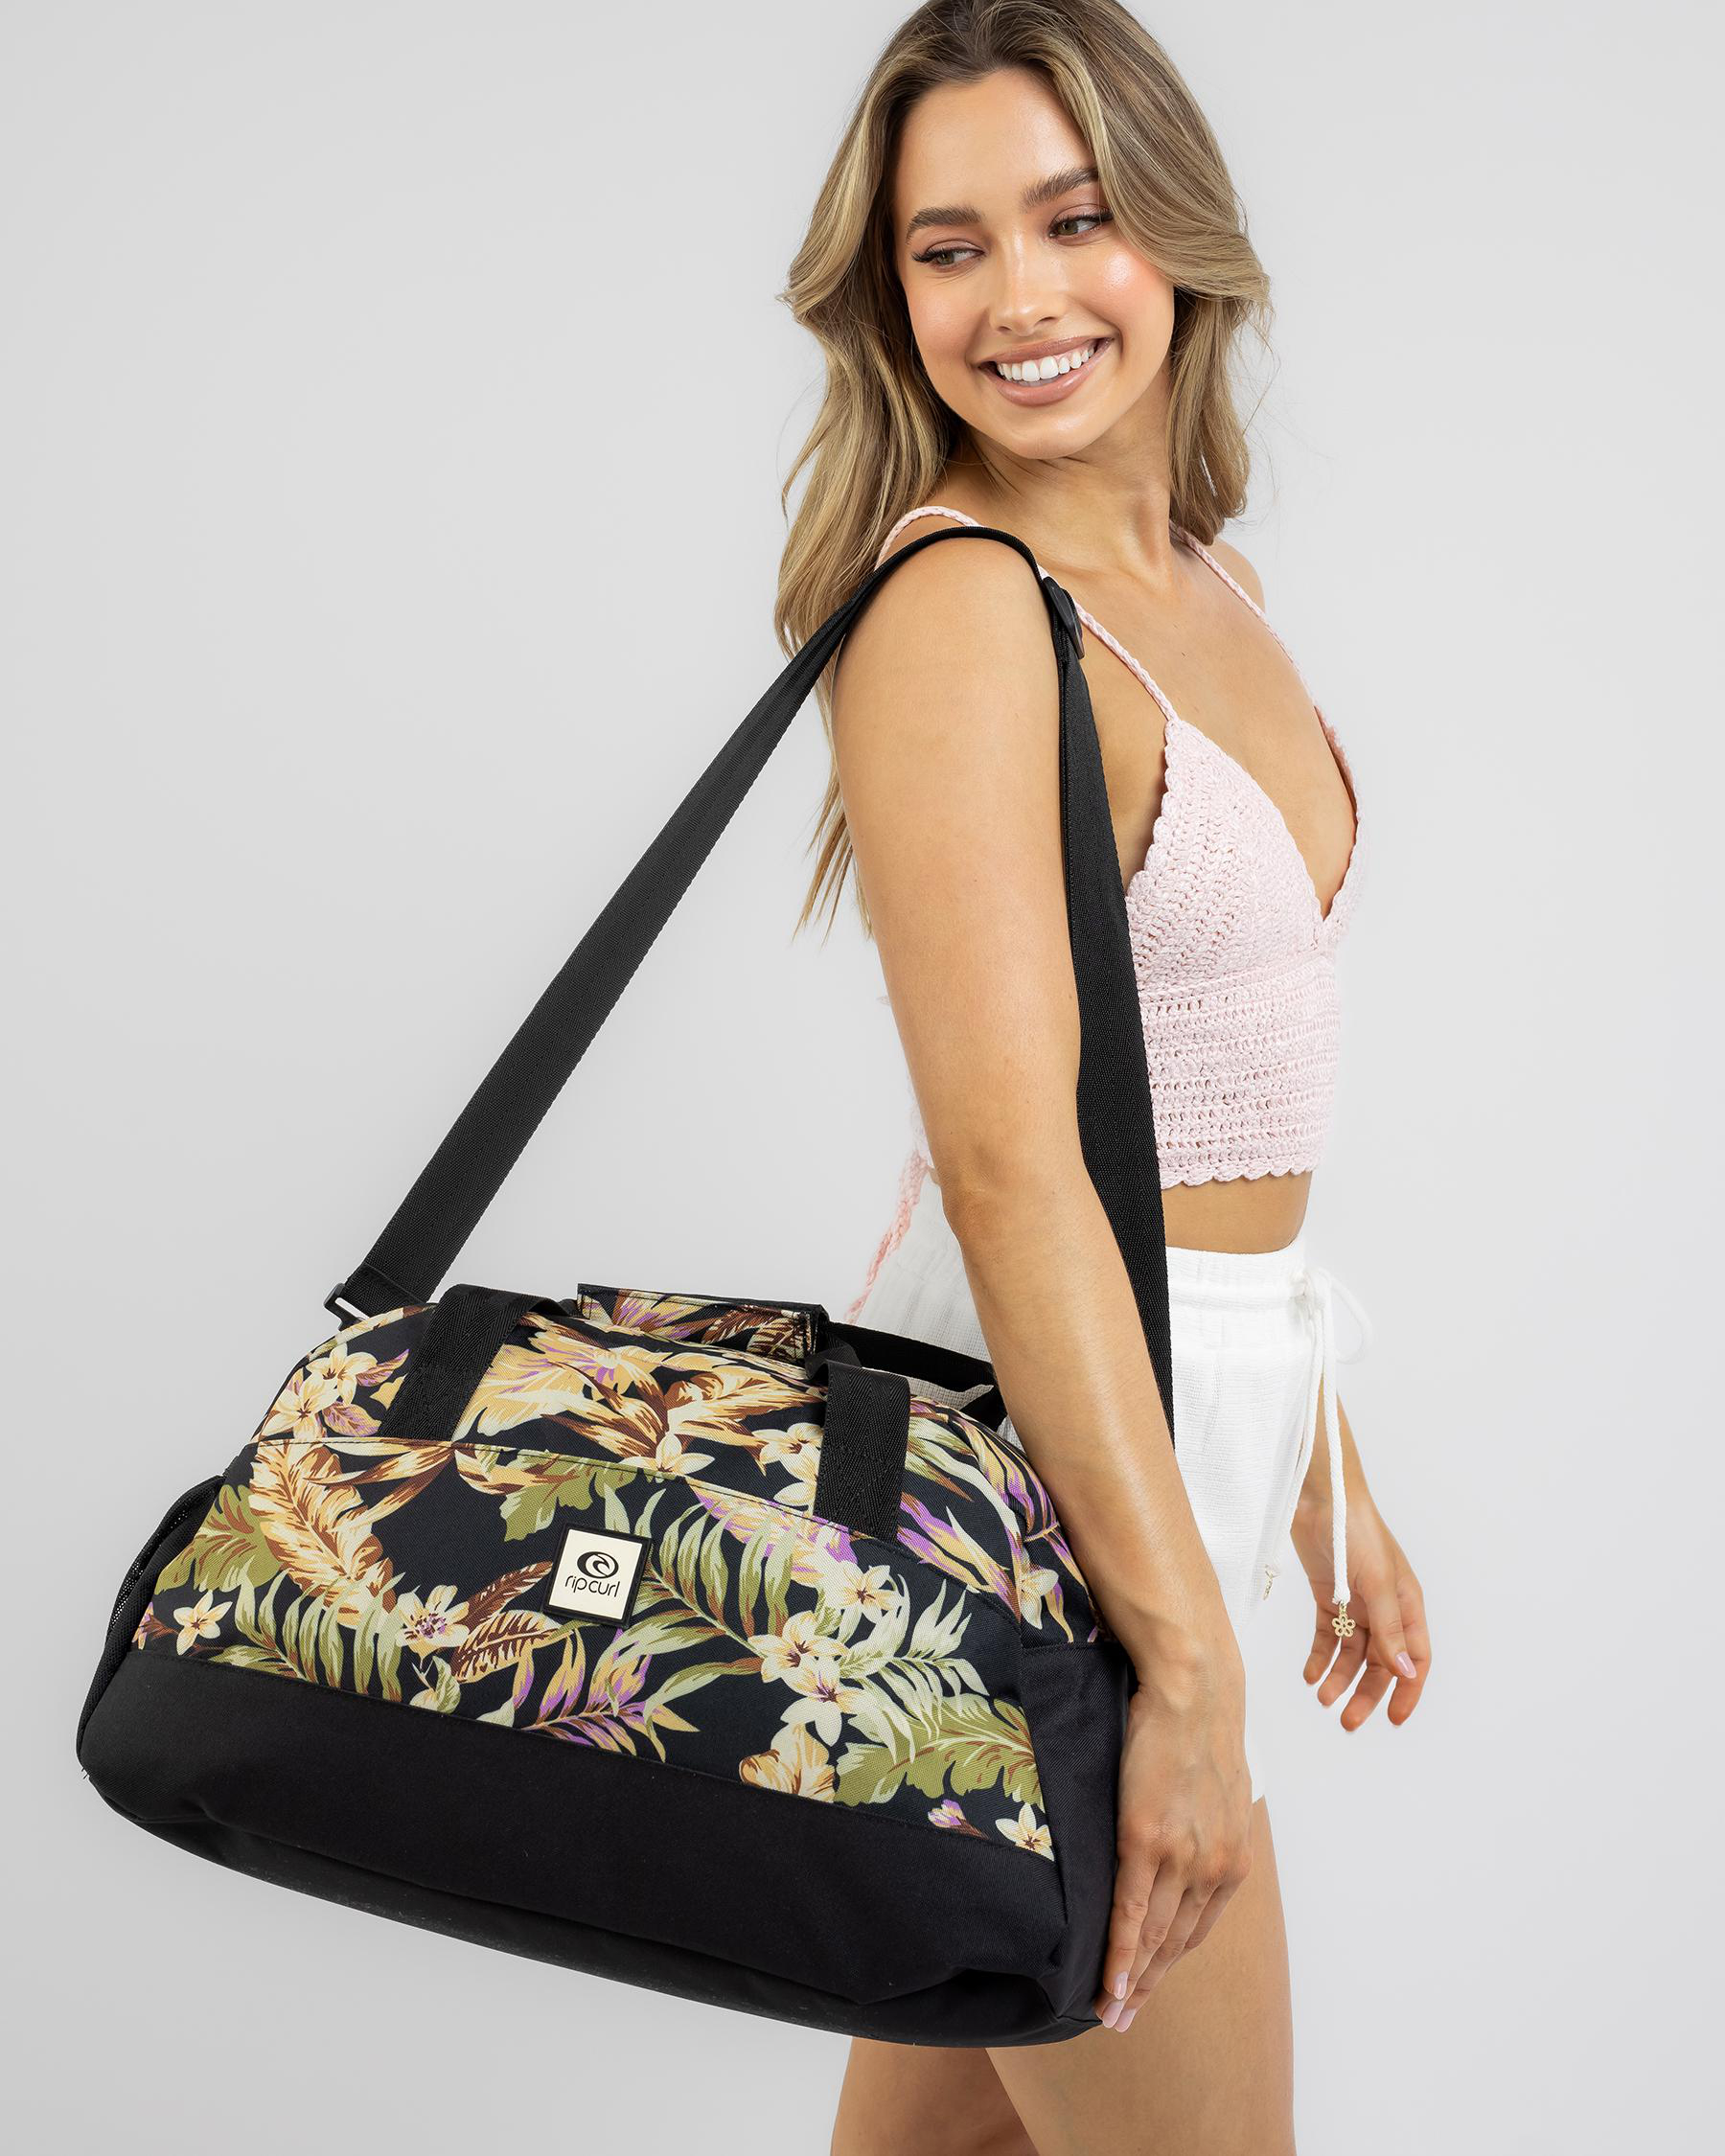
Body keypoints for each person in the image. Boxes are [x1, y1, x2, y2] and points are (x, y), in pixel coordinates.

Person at [774, 5, 1432, 2151]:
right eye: (949, 247)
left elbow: (1219, 1101)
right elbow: (1012, 1170)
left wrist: (1319, 1476)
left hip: (1177, 1419)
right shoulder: (965, 610)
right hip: (1044, 1463)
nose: (1022, 298)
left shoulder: (1203, 583)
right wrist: (1186, 1660)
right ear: (890, 292)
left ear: (1177, 227)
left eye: (1074, 220)